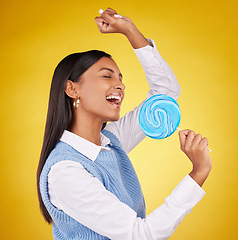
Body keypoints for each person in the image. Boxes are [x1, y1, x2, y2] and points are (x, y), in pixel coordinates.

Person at [37, 8, 212, 240]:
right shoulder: (65, 172)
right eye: (107, 76)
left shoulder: (111, 140)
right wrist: (198, 173)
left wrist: (130, 31)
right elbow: (141, 235)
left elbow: (166, 93)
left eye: (121, 78)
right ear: (72, 88)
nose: (120, 86)